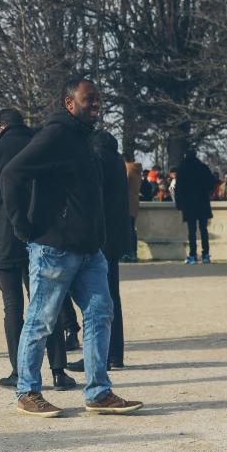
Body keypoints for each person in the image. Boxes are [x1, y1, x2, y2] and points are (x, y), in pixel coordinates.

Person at [1, 75, 143, 418]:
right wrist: (24, 227)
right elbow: (12, 173)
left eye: (97, 100)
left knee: (100, 312)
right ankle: (27, 391)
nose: (95, 105)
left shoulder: (85, 138)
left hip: (89, 249)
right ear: (70, 103)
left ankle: (97, 391)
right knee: (41, 319)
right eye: (88, 99)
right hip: (55, 247)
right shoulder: (55, 136)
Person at [0, 108, 73, 388]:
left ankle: (19, 371)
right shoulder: (40, 147)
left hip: (4, 238)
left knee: (13, 307)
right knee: (45, 305)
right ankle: (58, 370)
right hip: (42, 235)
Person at [69, 130, 131, 370]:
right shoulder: (116, 161)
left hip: (100, 238)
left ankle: (101, 356)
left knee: (96, 300)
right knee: (111, 297)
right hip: (116, 238)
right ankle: (114, 354)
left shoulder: (97, 160)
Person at [174, 149, 215, 264]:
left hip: (189, 203)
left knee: (191, 230)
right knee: (203, 229)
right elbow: (211, 183)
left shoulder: (183, 168)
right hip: (202, 202)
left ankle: (192, 255)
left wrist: (179, 203)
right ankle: (205, 254)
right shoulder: (203, 167)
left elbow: (178, 188)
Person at [123, 160, 142, 262]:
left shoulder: (127, 170)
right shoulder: (136, 170)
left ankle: (129, 253)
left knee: (127, 230)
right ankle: (133, 252)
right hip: (134, 202)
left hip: (127, 203)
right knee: (132, 229)